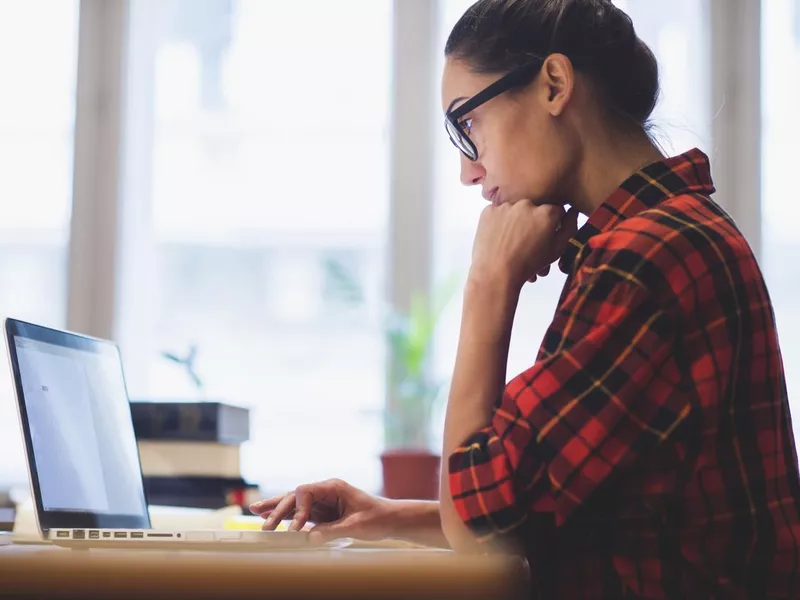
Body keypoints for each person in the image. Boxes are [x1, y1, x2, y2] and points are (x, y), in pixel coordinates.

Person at [251, 0, 800, 597]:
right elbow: (562, 513)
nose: (467, 170)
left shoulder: (646, 259)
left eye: (468, 124)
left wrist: (489, 285)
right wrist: (390, 517)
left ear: (555, 84)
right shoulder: (669, 234)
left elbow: (480, 530)